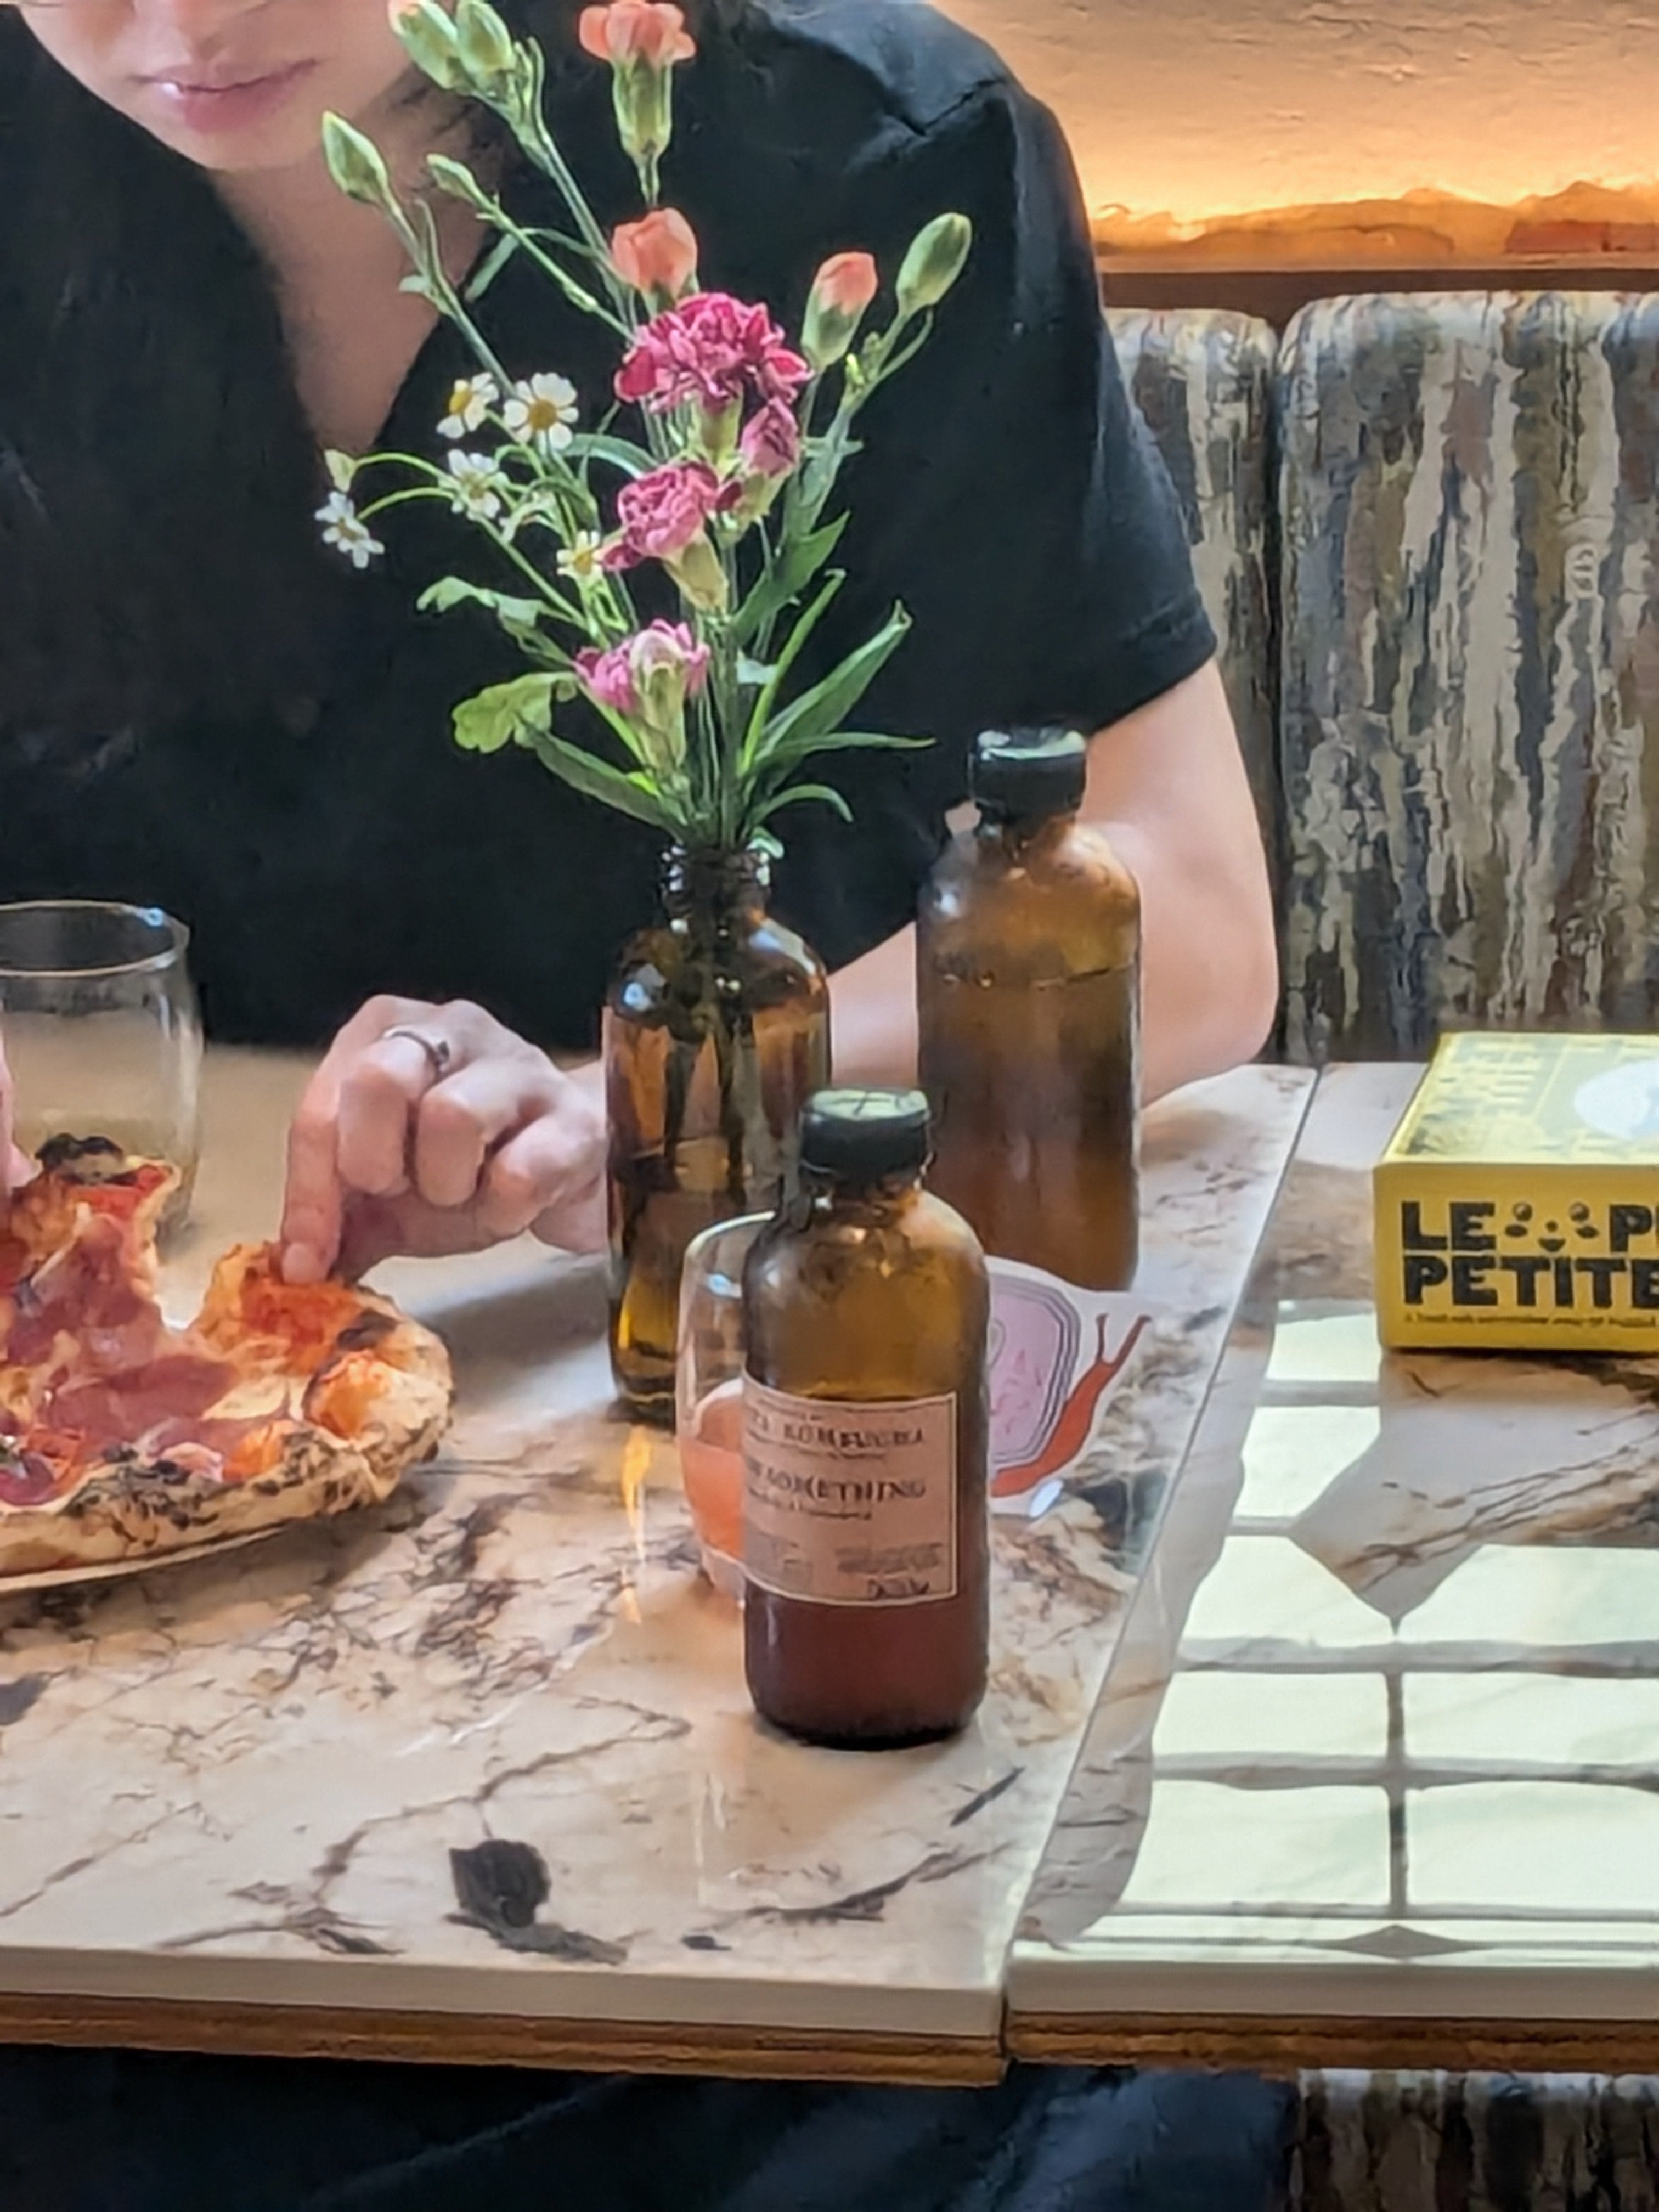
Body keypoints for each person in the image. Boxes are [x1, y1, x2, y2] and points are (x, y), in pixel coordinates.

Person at [0, 0, 1286, 2204]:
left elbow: (1186, 917)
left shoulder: (863, 159)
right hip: (120, 1530)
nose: (180, 20)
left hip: (731, 1480)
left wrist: (635, 1100)